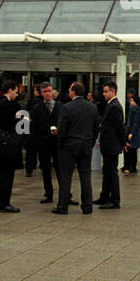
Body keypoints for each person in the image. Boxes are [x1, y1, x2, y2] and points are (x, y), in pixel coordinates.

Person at [53, 81, 99, 214]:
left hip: (69, 145)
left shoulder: (67, 108)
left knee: (65, 176)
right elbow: (96, 128)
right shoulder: (92, 108)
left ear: (73, 92)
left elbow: (62, 129)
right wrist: (90, 142)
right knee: (85, 176)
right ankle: (87, 206)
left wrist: (60, 144)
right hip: (85, 145)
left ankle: (62, 206)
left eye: (69, 89)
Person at [0, 78, 24, 212]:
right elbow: (16, 125)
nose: (17, 94)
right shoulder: (10, 105)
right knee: (6, 174)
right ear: (10, 90)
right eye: (15, 91)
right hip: (7, 144)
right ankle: (4, 202)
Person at [29, 80, 61, 204]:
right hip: (43, 144)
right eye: (44, 92)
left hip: (57, 143)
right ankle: (48, 193)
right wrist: (36, 143)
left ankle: (66, 194)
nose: (47, 94)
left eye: (49, 91)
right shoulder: (37, 109)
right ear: (41, 93)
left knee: (60, 170)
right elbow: (34, 128)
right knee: (46, 170)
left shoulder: (60, 106)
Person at [96, 80, 125, 208]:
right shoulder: (111, 105)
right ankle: (104, 196)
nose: (104, 94)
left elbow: (119, 126)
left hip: (111, 144)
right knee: (107, 171)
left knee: (111, 172)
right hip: (109, 144)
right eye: (103, 91)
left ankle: (114, 200)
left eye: (106, 91)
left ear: (113, 91)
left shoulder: (114, 106)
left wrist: (124, 142)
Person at [123, 90, 140, 173]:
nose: (130, 102)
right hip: (129, 130)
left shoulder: (137, 109)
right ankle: (126, 165)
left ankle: (132, 166)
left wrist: (132, 133)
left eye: (131, 100)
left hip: (132, 132)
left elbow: (136, 122)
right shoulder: (132, 109)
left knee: (132, 150)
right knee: (127, 149)